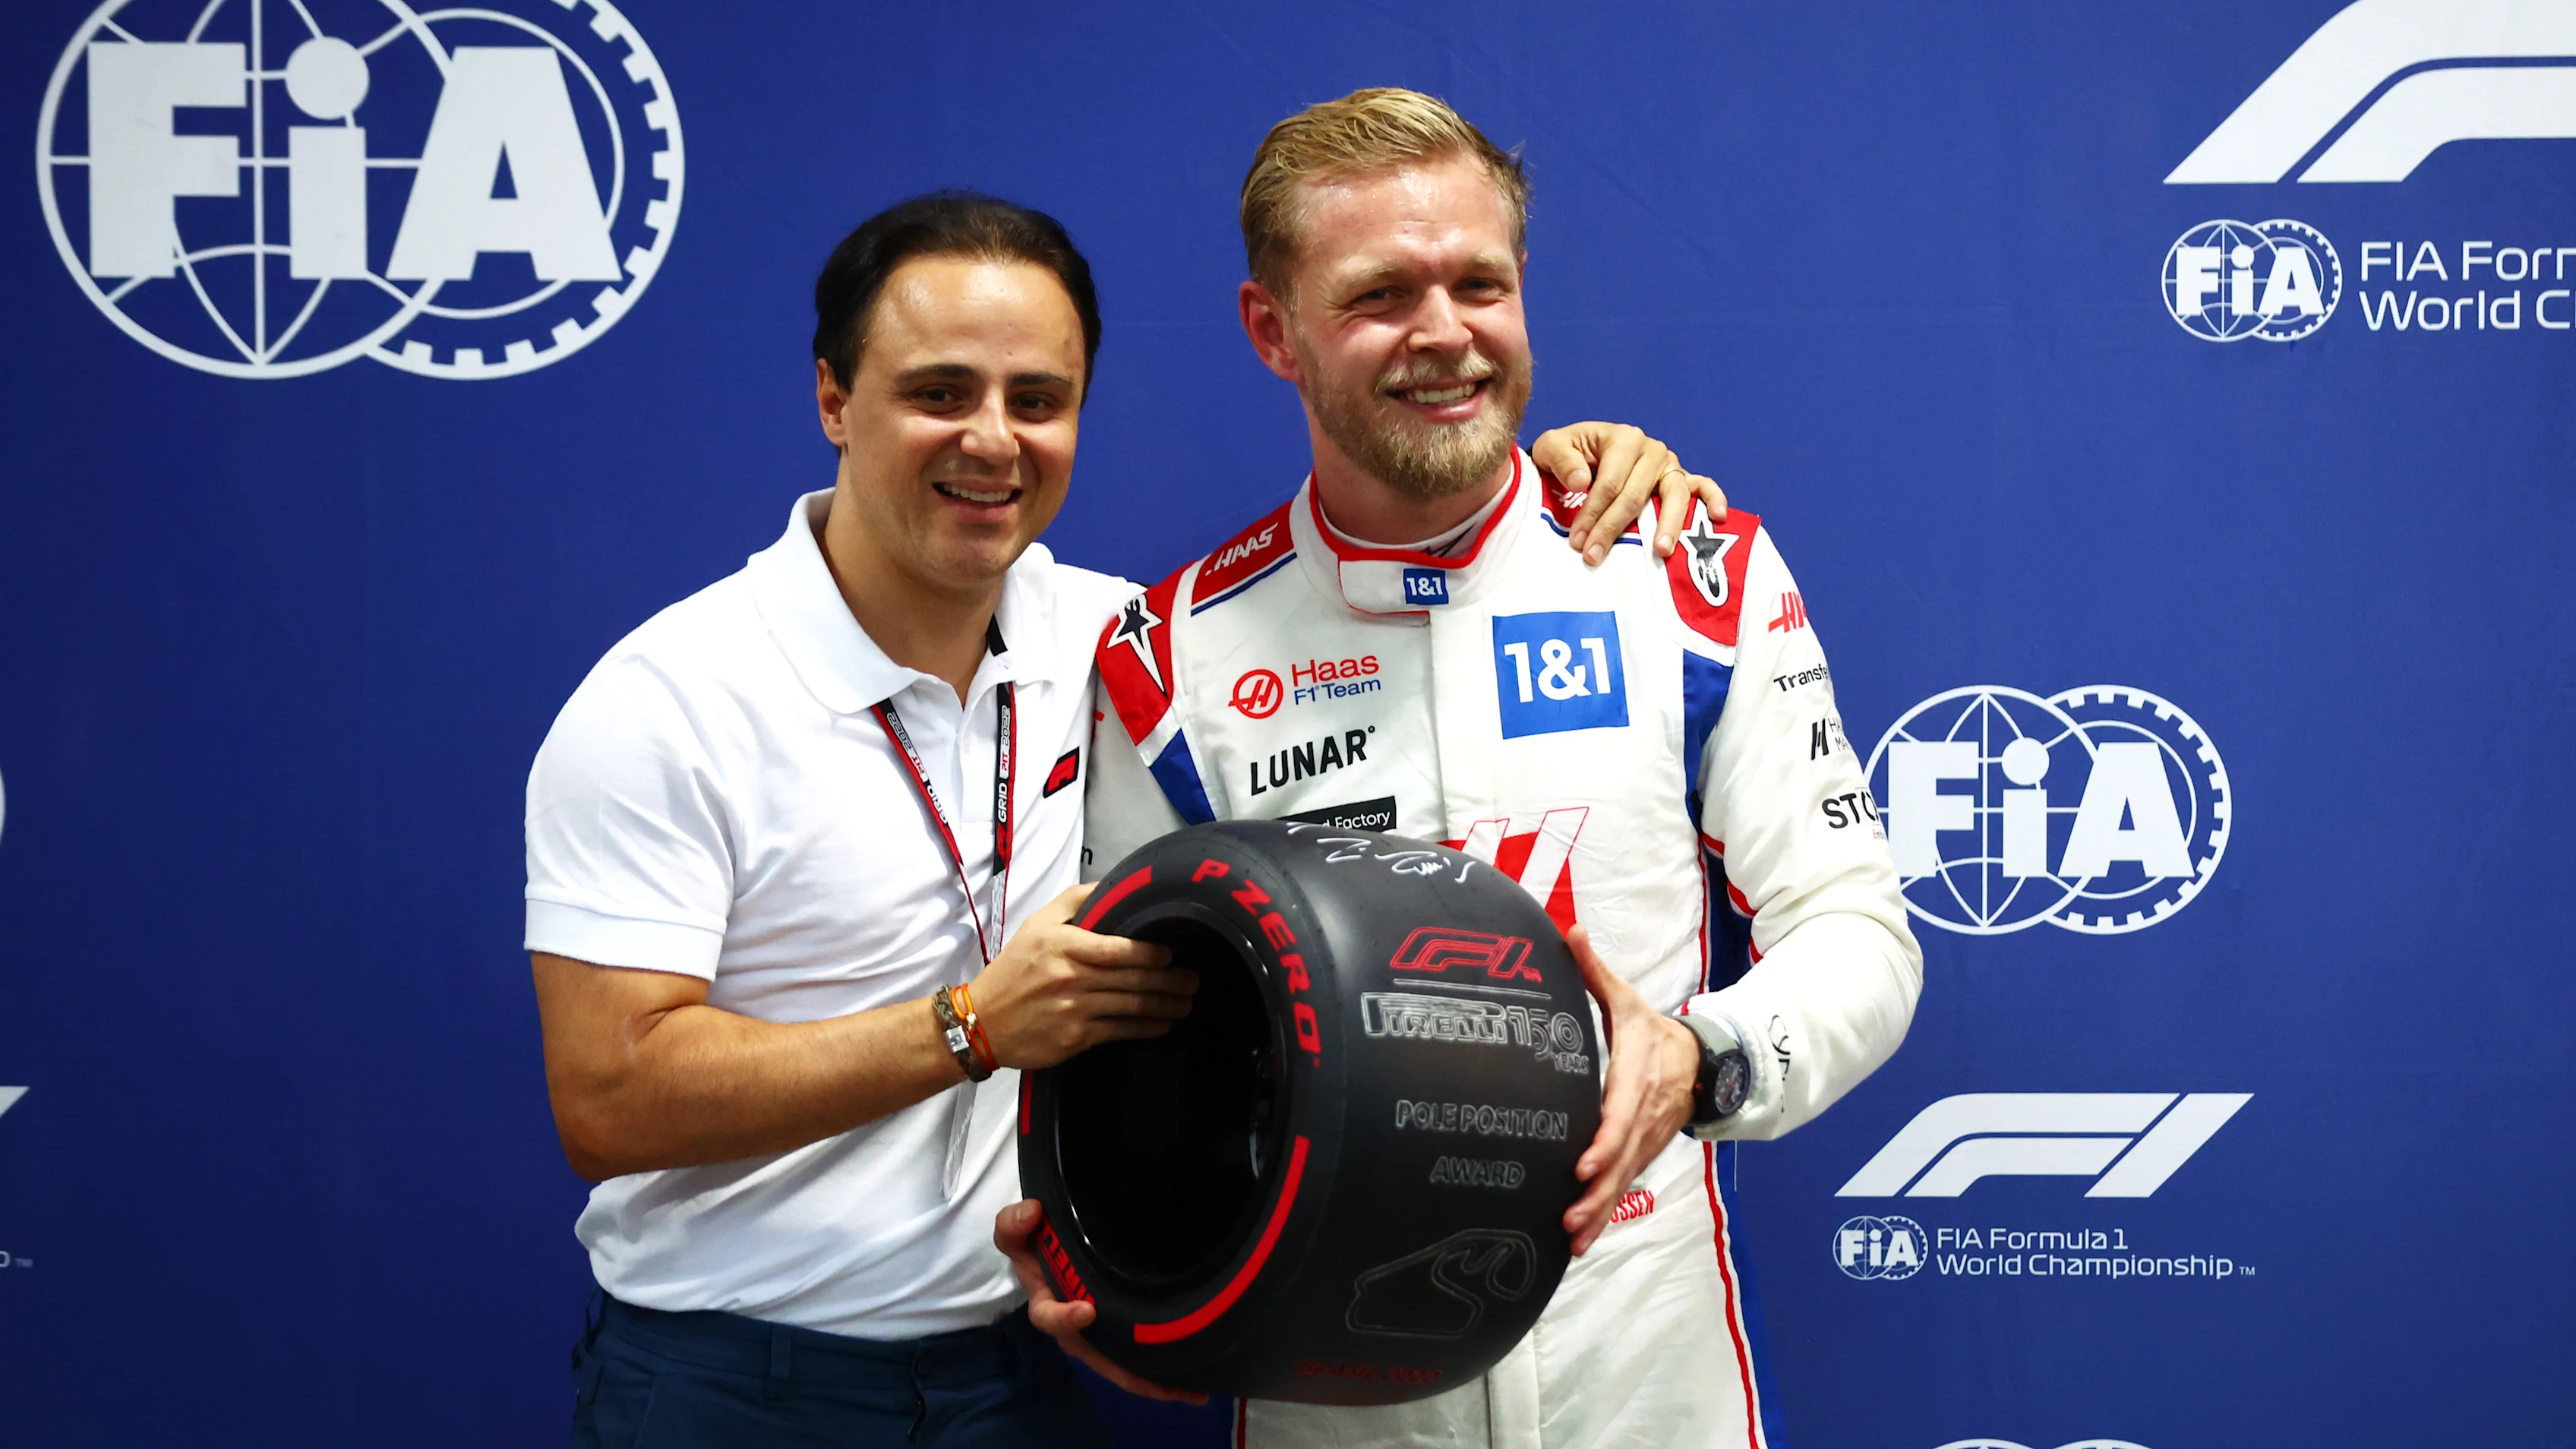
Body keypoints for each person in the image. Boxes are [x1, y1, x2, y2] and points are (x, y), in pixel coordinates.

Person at [524, 189, 1723, 1447]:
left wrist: (1561, 469)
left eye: (1037, 402)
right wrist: (970, 1028)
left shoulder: (1128, 645)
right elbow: (609, 1099)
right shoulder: (669, 700)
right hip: (741, 1384)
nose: (992, 440)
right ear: (833, 399)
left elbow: (1407, 556)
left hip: (1018, 1363)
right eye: (940, 393)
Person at [1009, 90, 1922, 1449]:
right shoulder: (1164, 653)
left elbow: (1861, 934)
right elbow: (1112, 1048)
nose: (1444, 335)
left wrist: (1702, 1057)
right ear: (1275, 330)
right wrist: (1115, 1275)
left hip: (1653, 1380)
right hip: (1330, 1390)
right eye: (1379, 294)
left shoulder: (1692, 574)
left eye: (1477, 284)